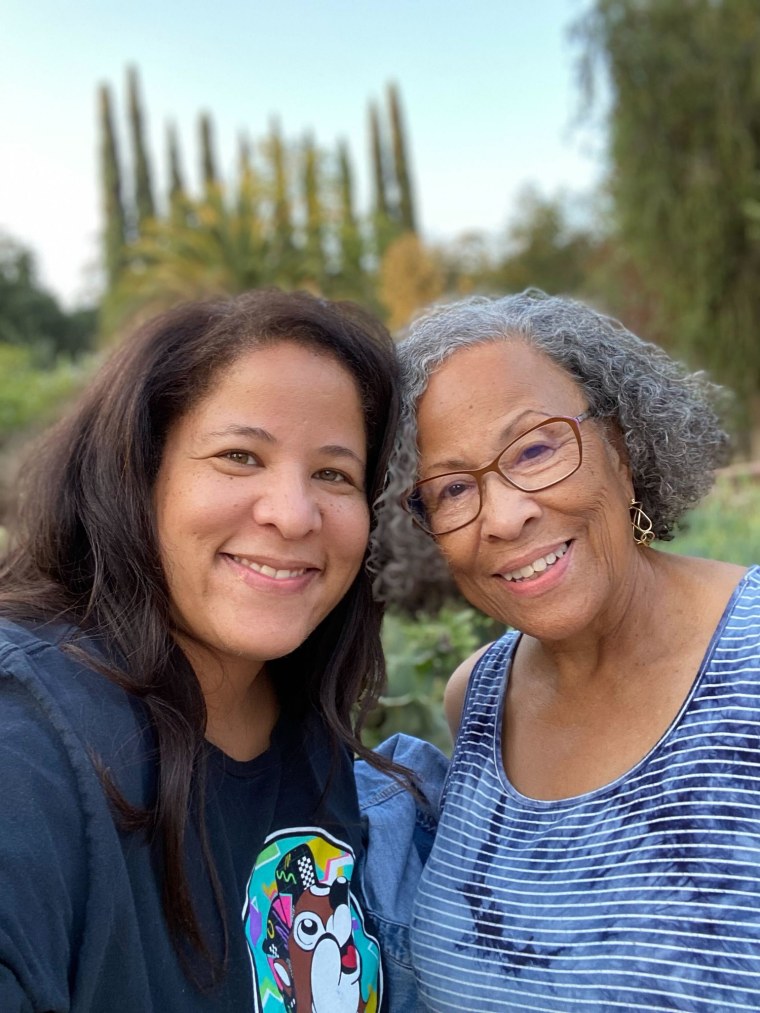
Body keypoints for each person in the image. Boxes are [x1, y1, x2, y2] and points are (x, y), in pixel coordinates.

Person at [0, 289, 400, 1012]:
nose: (293, 513)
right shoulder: (27, 742)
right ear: (137, 476)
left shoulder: (318, 746)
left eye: (334, 473)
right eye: (240, 456)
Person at [375, 290, 760, 1011]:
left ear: (620, 446)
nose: (507, 513)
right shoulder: (479, 700)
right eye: (453, 488)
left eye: (535, 447)